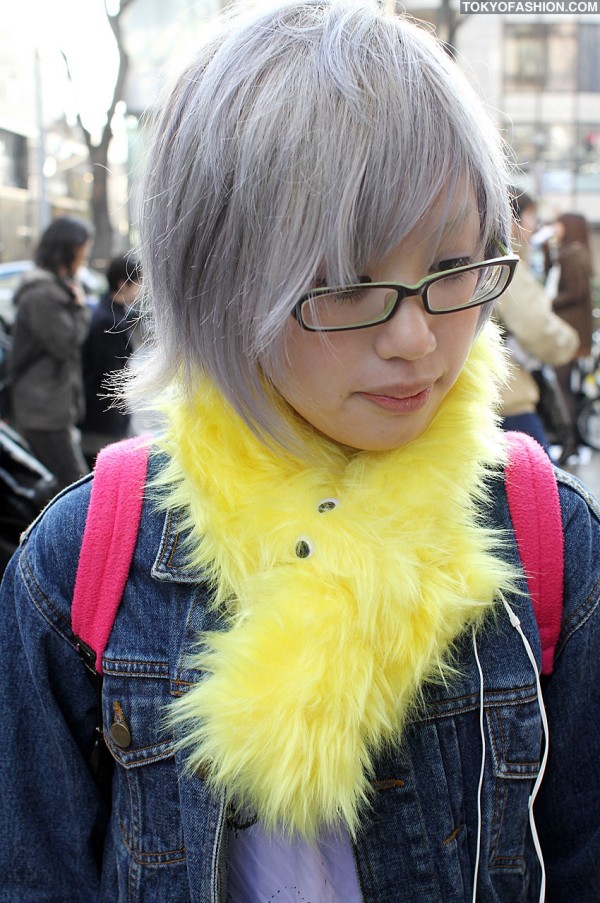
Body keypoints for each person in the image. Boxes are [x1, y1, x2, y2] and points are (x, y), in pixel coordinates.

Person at [1, 3, 599, 900]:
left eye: (453, 269)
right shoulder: (80, 566)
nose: (418, 339)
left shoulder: (547, 538)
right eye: (348, 284)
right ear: (220, 282)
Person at [8, 215, 93, 490]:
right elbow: (65, 343)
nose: (85, 257)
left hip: (51, 406)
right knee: (75, 485)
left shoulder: (55, 289)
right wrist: (80, 308)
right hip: (42, 409)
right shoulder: (42, 295)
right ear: (67, 249)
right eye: (83, 249)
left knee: (66, 483)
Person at [494, 189, 579, 456]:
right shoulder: (504, 265)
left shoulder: (471, 259)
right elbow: (537, 327)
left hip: (482, 404)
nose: (534, 227)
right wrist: (570, 342)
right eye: (531, 217)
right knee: (545, 493)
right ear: (512, 220)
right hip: (508, 403)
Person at [80, 252, 142, 466]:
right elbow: (109, 376)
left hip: (103, 414)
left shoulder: (109, 313)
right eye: (138, 282)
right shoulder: (108, 322)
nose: (140, 289)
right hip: (103, 419)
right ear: (122, 283)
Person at [547, 212, 596, 456]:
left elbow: (574, 291)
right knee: (568, 386)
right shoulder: (575, 251)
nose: (555, 228)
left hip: (569, 332)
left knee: (563, 386)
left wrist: (549, 302)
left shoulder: (572, 254)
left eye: (559, 223)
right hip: (575, 332)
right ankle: (573, 441)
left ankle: (569, 442)